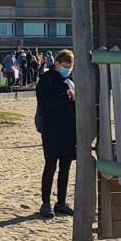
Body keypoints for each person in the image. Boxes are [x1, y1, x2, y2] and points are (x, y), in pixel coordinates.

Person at [35, 48, 78, 219]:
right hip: (51, 130)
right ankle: (45, 202)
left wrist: (74, 98)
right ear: (57, 64)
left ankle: (61, 202)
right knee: (50, 166)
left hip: (68, 130)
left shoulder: (70, 82)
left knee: (65, 168)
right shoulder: (47, 79)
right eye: (65, 66)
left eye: (70, 67)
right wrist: (64, 96)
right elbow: (44, 102)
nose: (67, 69)